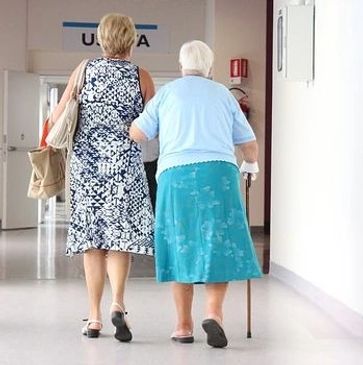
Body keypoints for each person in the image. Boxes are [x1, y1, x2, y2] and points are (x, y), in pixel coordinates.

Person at [130, 40, 262, 348]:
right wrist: (251, 165)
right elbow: (249, 143)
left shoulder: (167, 94)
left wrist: (136, 122)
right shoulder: (222, 95)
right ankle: (214, 315)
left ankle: (183, 326)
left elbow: (139, 133)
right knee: (219, 243)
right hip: (219, 173)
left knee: (180, 244)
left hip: (176, 176)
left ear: (181, 65)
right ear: (210, 68)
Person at [49, 13, 155, 341]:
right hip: (124, 168)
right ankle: (118, 304)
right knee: (119, 240)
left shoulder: (84, 70)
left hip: (87, 168)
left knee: (91, 244)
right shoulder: (142, 76)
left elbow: (56, 116)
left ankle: (94, 317)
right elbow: (152, 126)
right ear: (132, 40)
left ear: (100, 39)